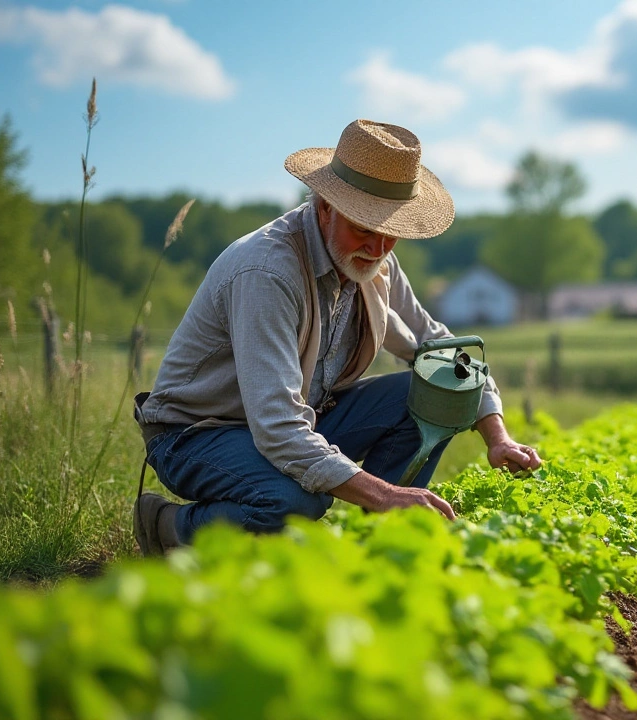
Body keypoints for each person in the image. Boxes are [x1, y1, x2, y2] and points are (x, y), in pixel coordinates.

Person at [132, 119, 542, 556]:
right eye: (364, 228)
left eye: (392, 232)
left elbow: (439, 347)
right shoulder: (267, 272)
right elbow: (277, 427)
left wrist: (497, 437)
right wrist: (384, 493)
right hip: (199, 434)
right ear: (325, 206)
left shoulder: (376, 259)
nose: (380, 247)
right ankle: (170, 525)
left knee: (425, 388)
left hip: (301, 417)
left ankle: (384, 546)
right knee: (294, 501)